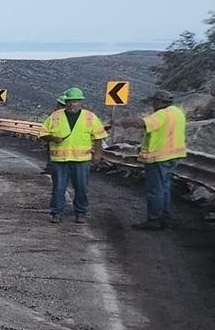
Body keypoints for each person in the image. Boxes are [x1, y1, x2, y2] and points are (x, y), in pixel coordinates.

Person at [119, 90, 187, 230]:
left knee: (155, 190)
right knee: (165, 189)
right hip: (174, 156)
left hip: (159, 157)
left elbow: (144, 123)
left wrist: (126, 122)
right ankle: (165, 218)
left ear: (160, 101)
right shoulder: (177, 112)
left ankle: (154, 220)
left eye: (154, 101)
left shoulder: (161, 114)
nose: (152, 104)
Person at [40, 87, 107, 224]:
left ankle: (80, 213)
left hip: (81, 160)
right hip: (60, 160)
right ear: (66, 102)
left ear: (80, 102)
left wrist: (98, 154)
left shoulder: (89, 117)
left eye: (75, 101)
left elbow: (99, 136)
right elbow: (43, 133)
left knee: (81, 187)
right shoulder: (55, 116)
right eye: (70, 101)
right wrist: (52, 138)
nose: (72, 104)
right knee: (59, 187)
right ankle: (56, 213)